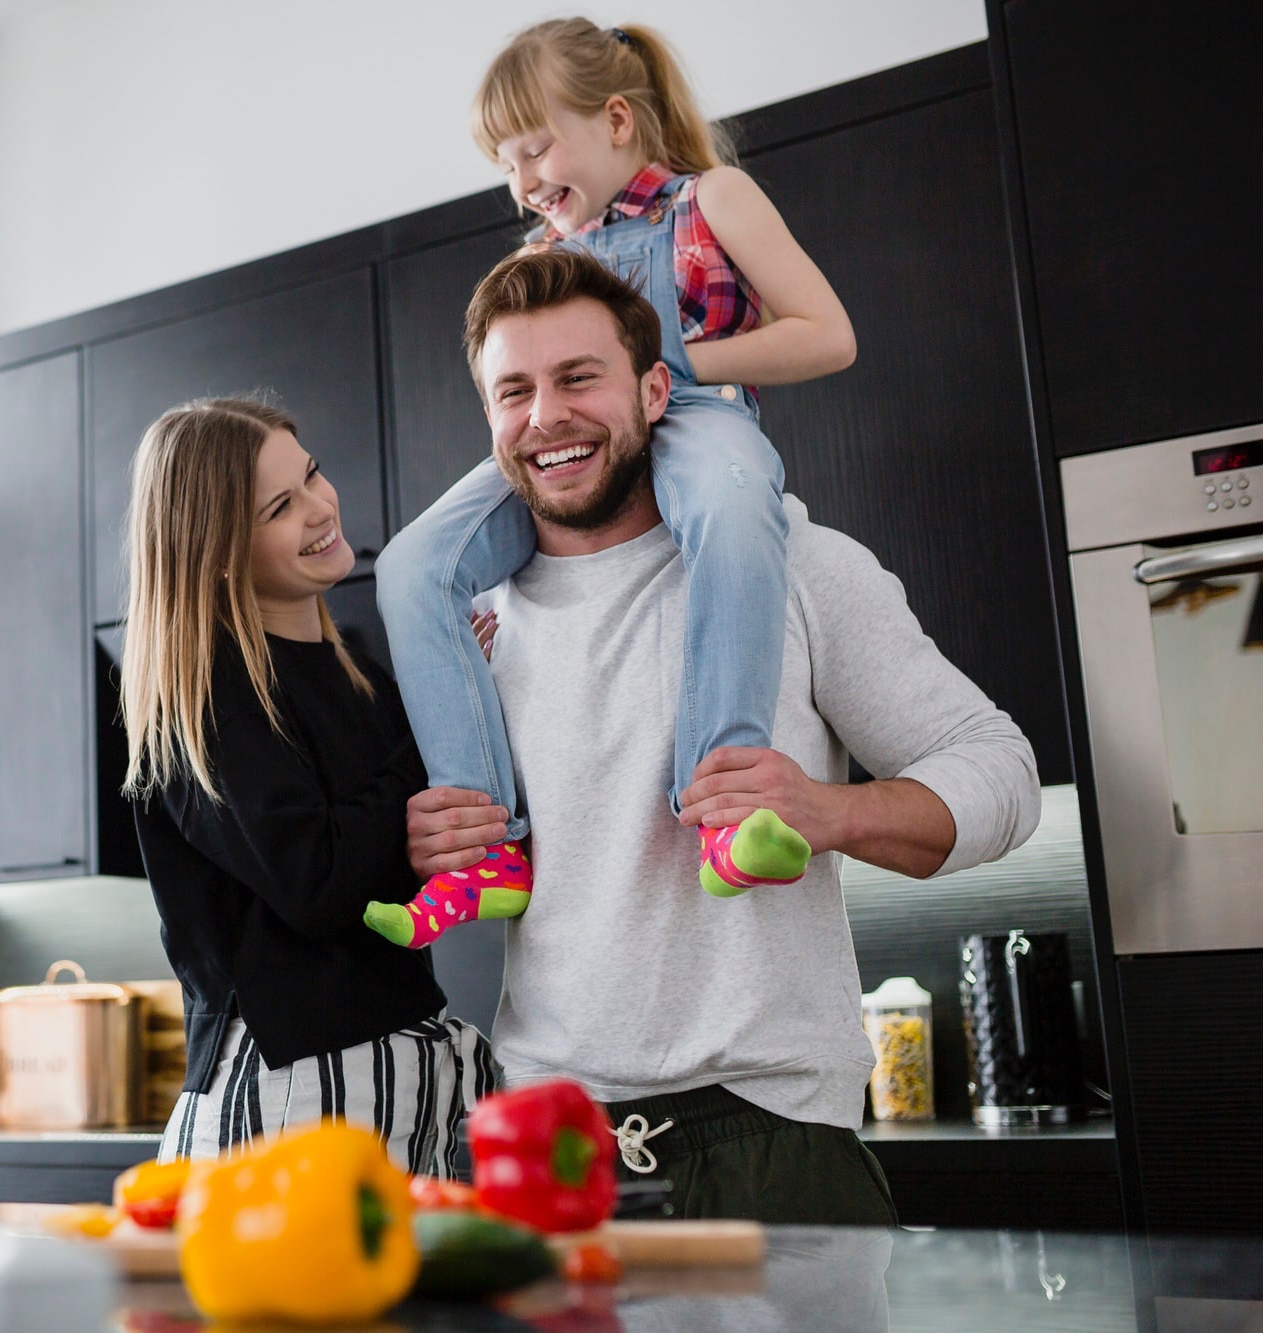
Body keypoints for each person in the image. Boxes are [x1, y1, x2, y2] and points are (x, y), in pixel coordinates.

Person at [410, 245, 1039, 1224]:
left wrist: (825, 809)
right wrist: (435, 840)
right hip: (540, 1138)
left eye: (579, 378)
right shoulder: (473, 627)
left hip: (770, 1132)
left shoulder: (798, 566)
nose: (545, 418)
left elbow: (1001, 773)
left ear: (655, 389)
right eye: (512, 391)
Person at [367, 19, 858, 949]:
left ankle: (723, 808)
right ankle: (491, 848)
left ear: (619, 120)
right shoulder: (533, 264)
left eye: (536, 147)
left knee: (728, 504)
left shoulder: (713, 198)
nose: (522, 181)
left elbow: (827, 335)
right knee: (411, 565)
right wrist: (571, 391)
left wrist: (660, 366)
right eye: (505, 164)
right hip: (573, 444)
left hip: (701, 414)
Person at [118, 397, 497, 1172]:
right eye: (282, 506)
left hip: (386, 1080)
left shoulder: (359, 673)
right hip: (288, 1099)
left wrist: (457, 695)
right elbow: (316, 880)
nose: (322, 506)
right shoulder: (200, 696)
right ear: (219, 551)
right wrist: (432, 733)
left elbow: (392, 866)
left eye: (312, 473)